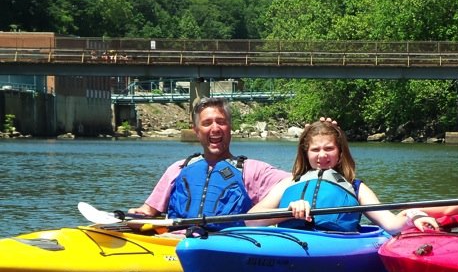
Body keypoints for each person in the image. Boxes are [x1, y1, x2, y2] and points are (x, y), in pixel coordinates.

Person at [246, 119, 436, 234]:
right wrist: (287, 210)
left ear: (339, 153)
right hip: (290, 243)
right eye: (315, 150)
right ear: (306, 153)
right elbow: (250, 220)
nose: (322, 155)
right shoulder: (289, 183)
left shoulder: (356, 188)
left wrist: (413, 217)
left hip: (335, 244)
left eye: (329, 148)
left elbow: (391, 223)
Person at [129, 96, 290, 227]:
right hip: (175, 243)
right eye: (207, 123)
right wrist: (131, 216)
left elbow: (298, 178)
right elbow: (147, 211)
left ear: (230, 127)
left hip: (225, 245)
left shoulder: (253, 171)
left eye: (221, 122)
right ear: (196, 131)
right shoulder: (178, 169)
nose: (215, 128)